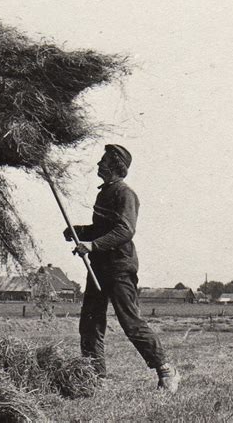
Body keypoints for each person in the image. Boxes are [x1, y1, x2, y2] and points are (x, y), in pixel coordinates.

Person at [63, 144, 180, 392]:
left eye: (103, 160)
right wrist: (78, 231)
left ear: (115, 166)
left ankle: (166, 370)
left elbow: (125, 230)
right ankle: (96, 377)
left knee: (130, 322)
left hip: (119, 267)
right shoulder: (104, 193)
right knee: (91, 322)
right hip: (99, 266)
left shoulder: (125, 194)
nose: (98, 164)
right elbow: (103, 229)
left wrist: (92, 245)